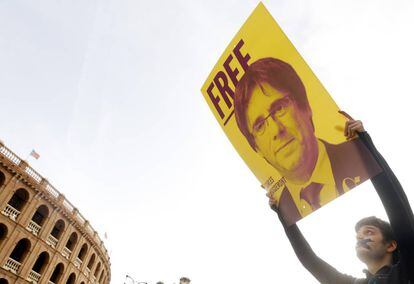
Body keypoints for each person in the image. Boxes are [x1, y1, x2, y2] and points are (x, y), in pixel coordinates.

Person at [270, 112, 414, 283]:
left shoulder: (408, 269)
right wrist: (283, 214)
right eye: (359, 234)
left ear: (391, 245)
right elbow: (310, 261)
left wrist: (364, 145)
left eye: (369, 232)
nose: (360, 237)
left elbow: (396, 205)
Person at [234, 57, 380, 225]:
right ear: (256, 148)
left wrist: (365, 142)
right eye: (260, 126)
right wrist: (280, 214)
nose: (276, 130)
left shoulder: (358, 154)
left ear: (305, 106)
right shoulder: (284, 209)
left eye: (279, 108)